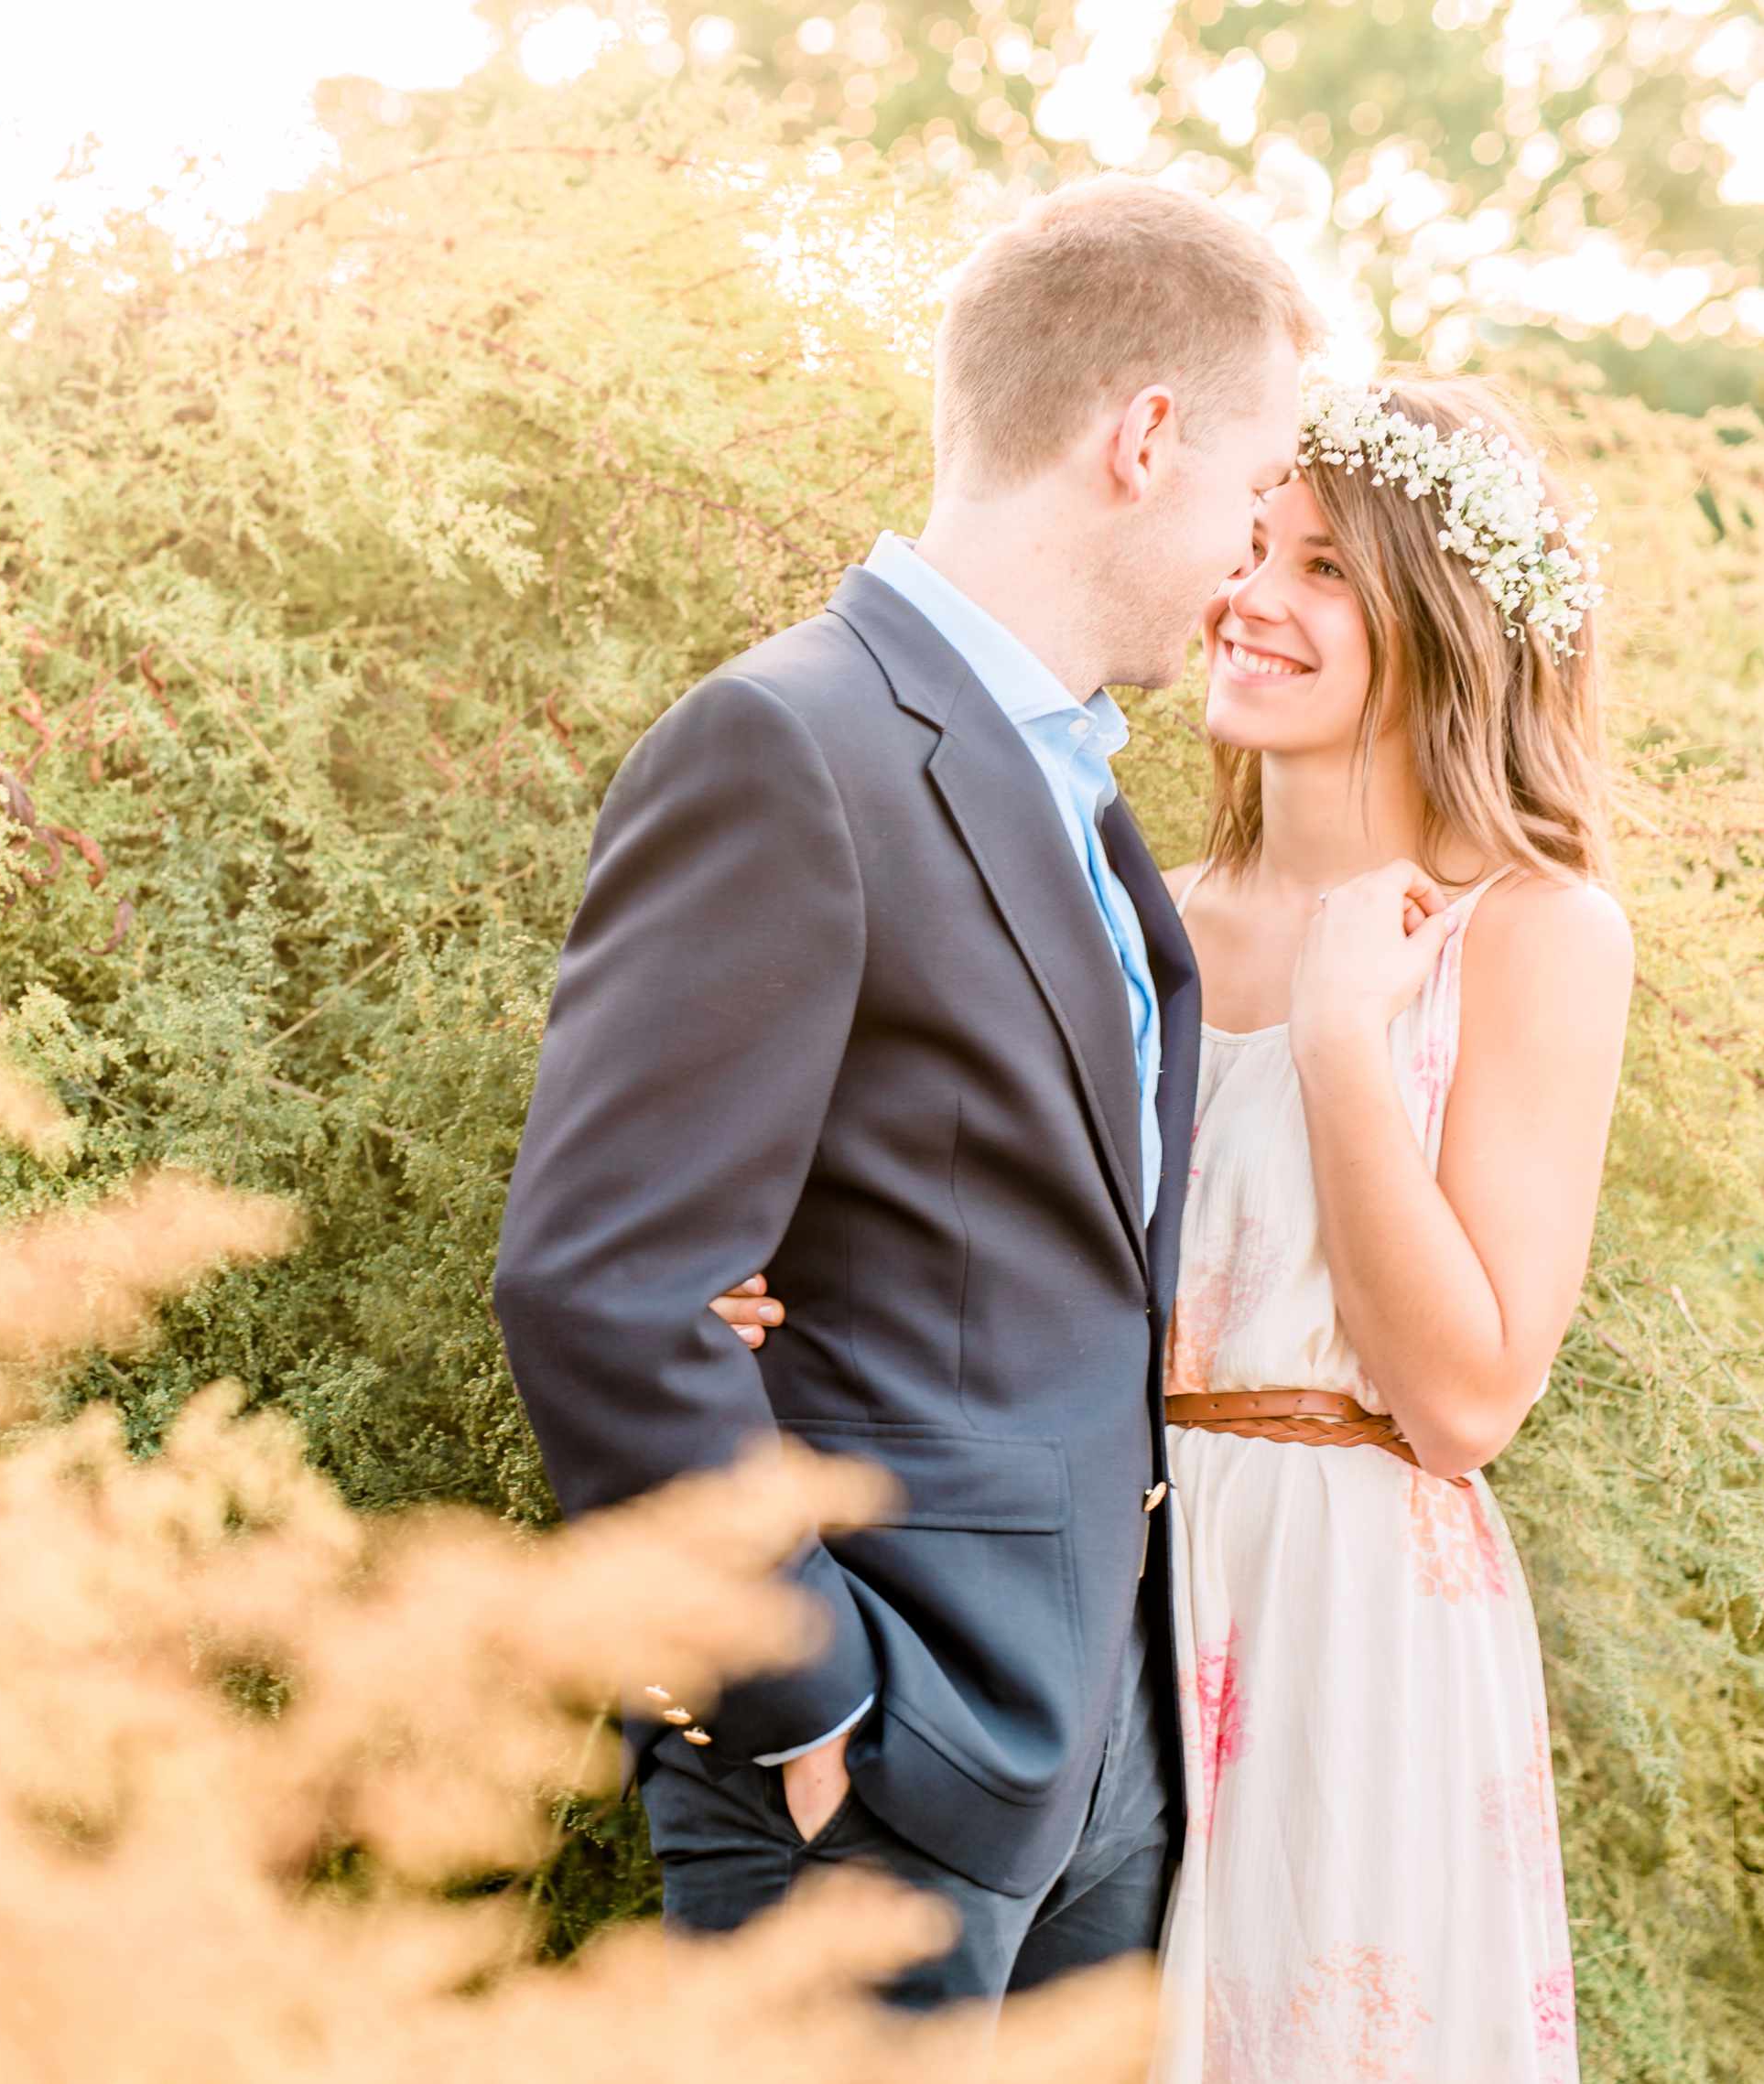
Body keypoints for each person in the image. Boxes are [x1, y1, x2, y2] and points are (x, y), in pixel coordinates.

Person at [711, 372, 1630, 2080]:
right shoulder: (1128, 899)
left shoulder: (1536, 932)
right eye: (1252, 542)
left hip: (1350, 1616)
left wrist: (1349, 1041)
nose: (1251, 599)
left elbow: (1466, 1399)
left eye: (1328, 569)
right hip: (1079, 1584)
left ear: (1447, 621)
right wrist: (766, 1284)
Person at [489, 175, 1320, 2011]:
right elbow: (597, 1285)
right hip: (876, 1775)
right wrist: (812, 1701)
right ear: (1144, 436)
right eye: (1255, 497)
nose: (1252, 560)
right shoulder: (790, 742)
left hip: (1103, 1745)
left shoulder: (1079, 792)